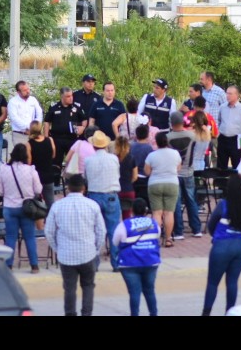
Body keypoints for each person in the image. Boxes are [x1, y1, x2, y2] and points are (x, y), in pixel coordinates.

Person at [45, 174, 106, 317]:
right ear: (83, 188)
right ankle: (87, 313)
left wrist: (57, 249)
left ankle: (70, 313)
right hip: (88, 253)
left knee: (69, 288)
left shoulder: (57, 206)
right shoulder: (92, 205)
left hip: (66, 255)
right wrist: (96, 249)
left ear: (68, 187)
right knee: (88, 285)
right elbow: (101, 231)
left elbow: (49, 231)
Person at [202, 173, 241, 316]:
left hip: (222, 245)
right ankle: (230, 312)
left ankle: (206, 312)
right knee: (232, 281)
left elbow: (211, 225)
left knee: (213, 282)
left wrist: (217, 236)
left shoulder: (223, 205)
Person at [0, 143, 43, 272]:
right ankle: (34, 265)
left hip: (9, 206)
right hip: (27, 207)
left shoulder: (4, 169)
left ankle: (8, 265)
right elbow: (38, 189)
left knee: (11, 237)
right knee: (29, 237)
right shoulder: (31, 170)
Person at [113, 197, 161, 317]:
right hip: (151, 262)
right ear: (146, 210)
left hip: (129, 263)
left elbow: (115, 242)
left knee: (134, 293)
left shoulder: (125, 224)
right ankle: (153, 313)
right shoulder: (154, 223)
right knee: (150, 291)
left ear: (132, 210)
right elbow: (157, 237)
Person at [84, 130, 122, 271]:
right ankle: (116, 263)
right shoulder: (113, 159)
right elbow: (117, 175)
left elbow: (86, 178)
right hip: (111, 194)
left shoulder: (88, 160)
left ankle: (94, 263)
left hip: (94, 195)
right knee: (113, 229)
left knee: (94, 230)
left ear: (93, 145)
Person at [167, 111, 201, 241]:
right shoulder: (192, 135)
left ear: (171, 123)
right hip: (188, 172)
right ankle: (196, 229)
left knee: (176, 202)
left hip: (174, 174)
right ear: (183, 122)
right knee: (191, 200)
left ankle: (178, 231)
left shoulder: (167, 137)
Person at [144, 132, 181, 248]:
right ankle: (168, 239)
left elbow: (147, 172)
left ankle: (156, 239)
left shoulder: (152, 155)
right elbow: (178, 168)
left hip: (155, 184)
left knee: (157, 213)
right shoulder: (175, 153)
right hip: (172, 183)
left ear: (156, 142)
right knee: (169, 212)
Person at [45, 87, 86, 168]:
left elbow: (84, 119)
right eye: (68, 96)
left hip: (72, 139)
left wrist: (83, 127)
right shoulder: (54, 107)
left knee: (73, 165)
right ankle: (56, 176)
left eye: (71, 95)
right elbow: (47, 122)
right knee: (55, 164)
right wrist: (46, 139)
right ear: (62, 96)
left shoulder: (77, 106)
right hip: (57, 139)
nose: (71, 98)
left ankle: (71, 176)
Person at [216, 85, 241, 169]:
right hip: (223, 138)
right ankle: (222, 177)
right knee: (221, 165)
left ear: (236, 95)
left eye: (230, 94)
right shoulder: (222, 107)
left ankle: (235, 178)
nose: (227, 96)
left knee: (236, 164)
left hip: (236, 140)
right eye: (227, 93)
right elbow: (219, 121)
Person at [27, 121, 57, 208]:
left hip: (36, 176)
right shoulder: (50, 140)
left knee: (33, 202)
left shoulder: (29, 144)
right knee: (50, 201)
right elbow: (53, 155)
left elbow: (29, 162)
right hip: (48, 174)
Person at [8, 81, 43, 149]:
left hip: (34, 134)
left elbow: (39, 113)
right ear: (18, 92)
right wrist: (27, 127)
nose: (27, 91)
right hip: (20, 134)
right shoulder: (13, 102)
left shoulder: (33, 100)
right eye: (24, 90)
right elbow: (14, 118)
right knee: (22, 154)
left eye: (28, 89)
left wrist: (35, 126)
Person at [116, 136, 138, 220]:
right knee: (127, 216)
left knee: (116, 217)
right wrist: (128, 182)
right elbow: (135, 177)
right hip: (129, 190)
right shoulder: (131, 158)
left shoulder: (114, 158)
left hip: (117, 190)